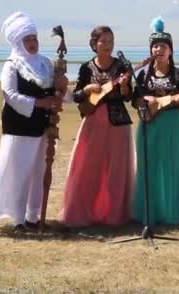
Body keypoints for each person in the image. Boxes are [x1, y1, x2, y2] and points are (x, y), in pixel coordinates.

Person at [0, 12, 67, 232]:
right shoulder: (12, 65)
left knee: (39, 172)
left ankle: (33, 217)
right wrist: (41, 103)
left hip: (43, 127)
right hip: (19, 127)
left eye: (34, 38)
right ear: (19, 42)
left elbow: (58, 94)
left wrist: (63, 87)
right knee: (19, 172)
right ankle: (18, 219)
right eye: (27, 40)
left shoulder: (46, 64)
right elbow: (10, 94)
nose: (32, 43)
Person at [58, 26, 135, 227]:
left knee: (116, 171)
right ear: (94, 44)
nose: (107, 45)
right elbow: (76, 96)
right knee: (88, 168)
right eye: (103, 41)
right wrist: (87, 88)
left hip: (118, 124)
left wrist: (125, 85)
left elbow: (128, 97)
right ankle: (83, 213)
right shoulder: (86, 68)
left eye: (111, 41)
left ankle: (114, 215)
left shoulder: (121, 66)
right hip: (92, 122)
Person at [131, 17, 179, 225]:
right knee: (150, 166)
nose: (158, 50)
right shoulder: (143, 75)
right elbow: (135, 101)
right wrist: (147, 101)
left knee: (172, 166)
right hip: (150, 124)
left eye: (163, 46)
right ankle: (151, 211)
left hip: (172, 123)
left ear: (170, 50)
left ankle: (174, 210)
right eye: (155, 46)